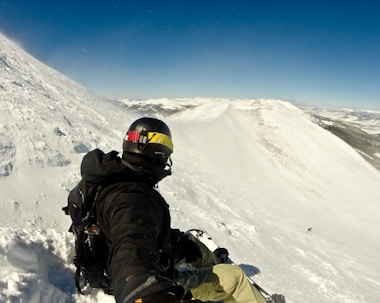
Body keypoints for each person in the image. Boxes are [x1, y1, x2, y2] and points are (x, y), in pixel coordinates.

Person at [79, 117, 283, 303]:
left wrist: (176, 241)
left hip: (104, 256)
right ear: (158, 152)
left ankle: (209, 261)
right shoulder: (134, 199)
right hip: (126, 275)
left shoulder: (104, 175)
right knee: (235, 277)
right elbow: (131, 253)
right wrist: (148, 294)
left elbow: (131, 229)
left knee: (190, 243)